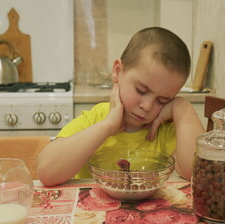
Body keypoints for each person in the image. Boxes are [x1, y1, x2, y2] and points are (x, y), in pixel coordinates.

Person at [37, 27, 205, 186]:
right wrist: (108, 126)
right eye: (141, 90)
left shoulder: (165, 129)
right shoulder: (95, 119)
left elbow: (197, 174)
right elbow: (47, 173)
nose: (147, 106)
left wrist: (182, 107)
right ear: (118, 71)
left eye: (162, 100)